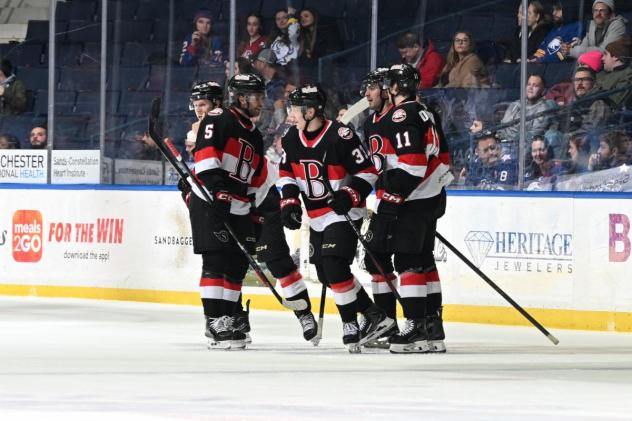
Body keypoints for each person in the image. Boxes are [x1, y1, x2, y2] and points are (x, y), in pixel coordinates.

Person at [278, 83, 394, 353]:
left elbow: (368, 172)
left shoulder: (341, 135)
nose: (290, 115)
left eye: (294, 109)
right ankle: (375, 315)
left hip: (343, 212)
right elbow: (287, 175)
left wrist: (350, 194)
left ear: (310, 112)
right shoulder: (291, 138)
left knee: (333, 265)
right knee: (323, 271)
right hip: (317, 215)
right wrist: (290, 202)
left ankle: (350, 323)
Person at [362, 64, 453, 353]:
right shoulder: (425, 111)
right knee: (423, 260)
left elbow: (412, 165)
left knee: (407, 261)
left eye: (386, 83)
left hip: (410, 199)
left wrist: (394, 196)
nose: (383, 89)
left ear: (395, 87)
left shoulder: (403, 114)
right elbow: (445, 159)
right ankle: (431, 325)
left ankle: (414, 327)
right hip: (427, 197)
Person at [188, 73, 266, 350]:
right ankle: (214, 321)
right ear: (242, 97)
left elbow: (254, 178)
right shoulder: (218, 118)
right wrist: (219, 192)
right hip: (211, 200)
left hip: (239, 205)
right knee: (215, 261)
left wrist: (254, 208)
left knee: (236, 265)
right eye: (257, 96)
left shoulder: (256, 135)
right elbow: (207, 158)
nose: (262, 101)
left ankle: (229, 320)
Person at [471, 74, 557, 145]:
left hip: (520, 147)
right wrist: (485, 127)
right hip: (502, 142)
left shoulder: (544, 108)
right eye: (529, 84)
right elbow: (503, 126)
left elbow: (533, 135)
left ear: (543, 90)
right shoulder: (515, 104)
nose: (530, 87)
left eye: (535, 86)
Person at [563, 0, 627, 59]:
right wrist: (569, 48)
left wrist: (572, 51)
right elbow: (584, 46)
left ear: (611, 13)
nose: (598, 14)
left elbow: (604, 51)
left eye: (602, 10)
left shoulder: (618, 25)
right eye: (595, 10)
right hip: (594, 62)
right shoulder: (592, 25)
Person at [252, 48, 286, 150]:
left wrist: (280, 135)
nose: (255, 64)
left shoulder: (278, 84)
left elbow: (279, 111)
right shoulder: (266, 82)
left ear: (264, 64)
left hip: (271, 137)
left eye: (258, 61)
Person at [599, 36, 632, 108]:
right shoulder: (601, 73)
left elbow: (614, 102)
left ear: (615, 57)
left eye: (606, 54)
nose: (602, 58)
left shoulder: (628, 75)